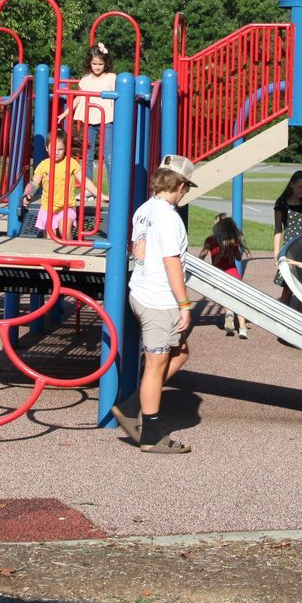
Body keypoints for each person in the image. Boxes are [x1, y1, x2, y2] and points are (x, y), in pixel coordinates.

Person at [110, 161, 197, 454]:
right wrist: (184, 304)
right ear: (181, 185)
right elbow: (171, 262)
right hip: (159, 299)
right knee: (156, 363)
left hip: (141, 290)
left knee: (180, 352)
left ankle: (134, 405)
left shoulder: (144, 210)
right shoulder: (169, 218)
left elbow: (139, 249)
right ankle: (150, 434)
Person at [23, 132, 98, 239]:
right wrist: (27, 195)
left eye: (60, 149)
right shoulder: (43, 165)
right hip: (47, 209)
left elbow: (85, 181)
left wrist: (100, 195)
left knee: (65, 231)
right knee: (50, 238)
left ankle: (69, 251)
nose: (57, 153)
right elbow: (33, 183)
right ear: (46, 148)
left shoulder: (71, 163)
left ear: (65, 149)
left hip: (66, 208)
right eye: (53, 149)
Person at [201, 214, 251, 339]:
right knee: (239, 300)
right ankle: (243, 328)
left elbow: (202, 255)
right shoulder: (233, 241)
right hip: (233, 272)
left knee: (223, 297)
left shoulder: (210, 240)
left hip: (218, 273)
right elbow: (238, 258)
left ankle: (228, 312)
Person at [270, 169, 302, 254]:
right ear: (292, 184)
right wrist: (276, 253)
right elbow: (278, 229)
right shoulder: (281, 202)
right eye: (300, 187)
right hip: (290, 246)